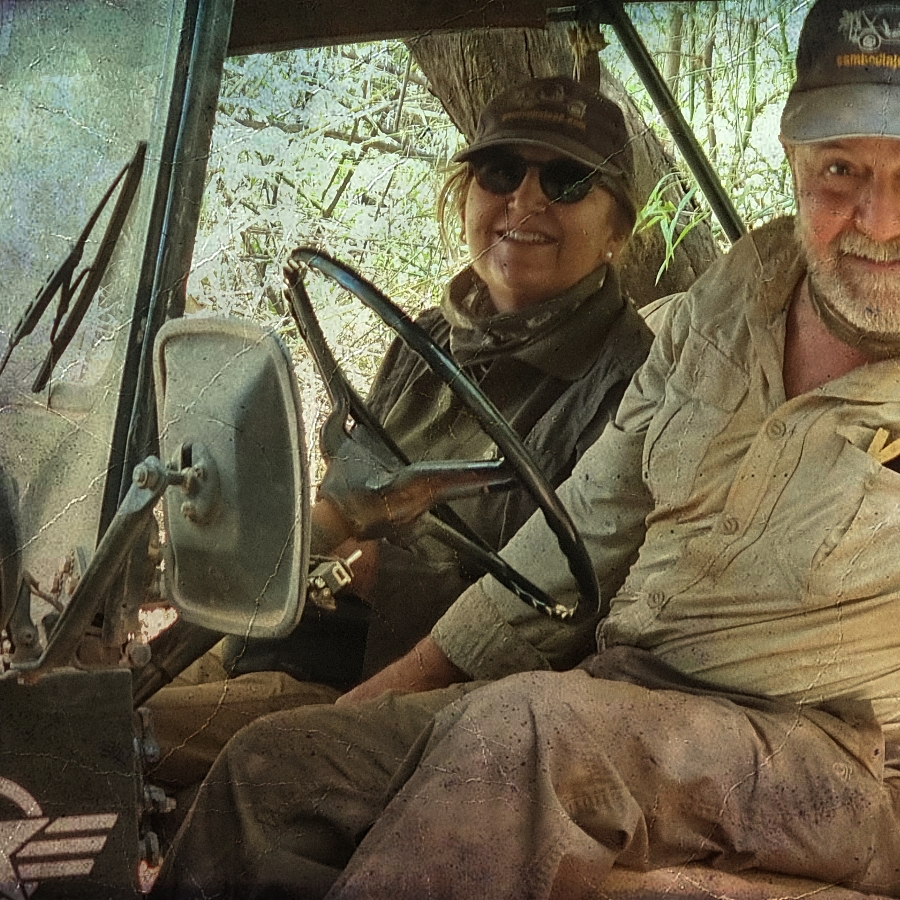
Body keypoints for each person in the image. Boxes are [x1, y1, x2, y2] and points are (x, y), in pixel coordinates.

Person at [150, 1, 900, 897]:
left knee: (531, 738)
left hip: (856, 768)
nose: (877, 217)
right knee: (274, 767)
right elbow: (589, 523)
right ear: (795, 163)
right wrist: (387, 696)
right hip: (628, 704)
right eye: (839, 170)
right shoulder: (741, 290)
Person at [143, 75, 653, 801]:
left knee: (88, 741)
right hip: (283, 633)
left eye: (567, 180)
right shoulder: (428, 339)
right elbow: (342, 504)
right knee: (76, 700)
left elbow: (572, 610)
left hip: (390, 685)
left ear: (616, 232)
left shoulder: (631, 384)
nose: (526, 199)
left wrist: (384, 573)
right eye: (501, 171)